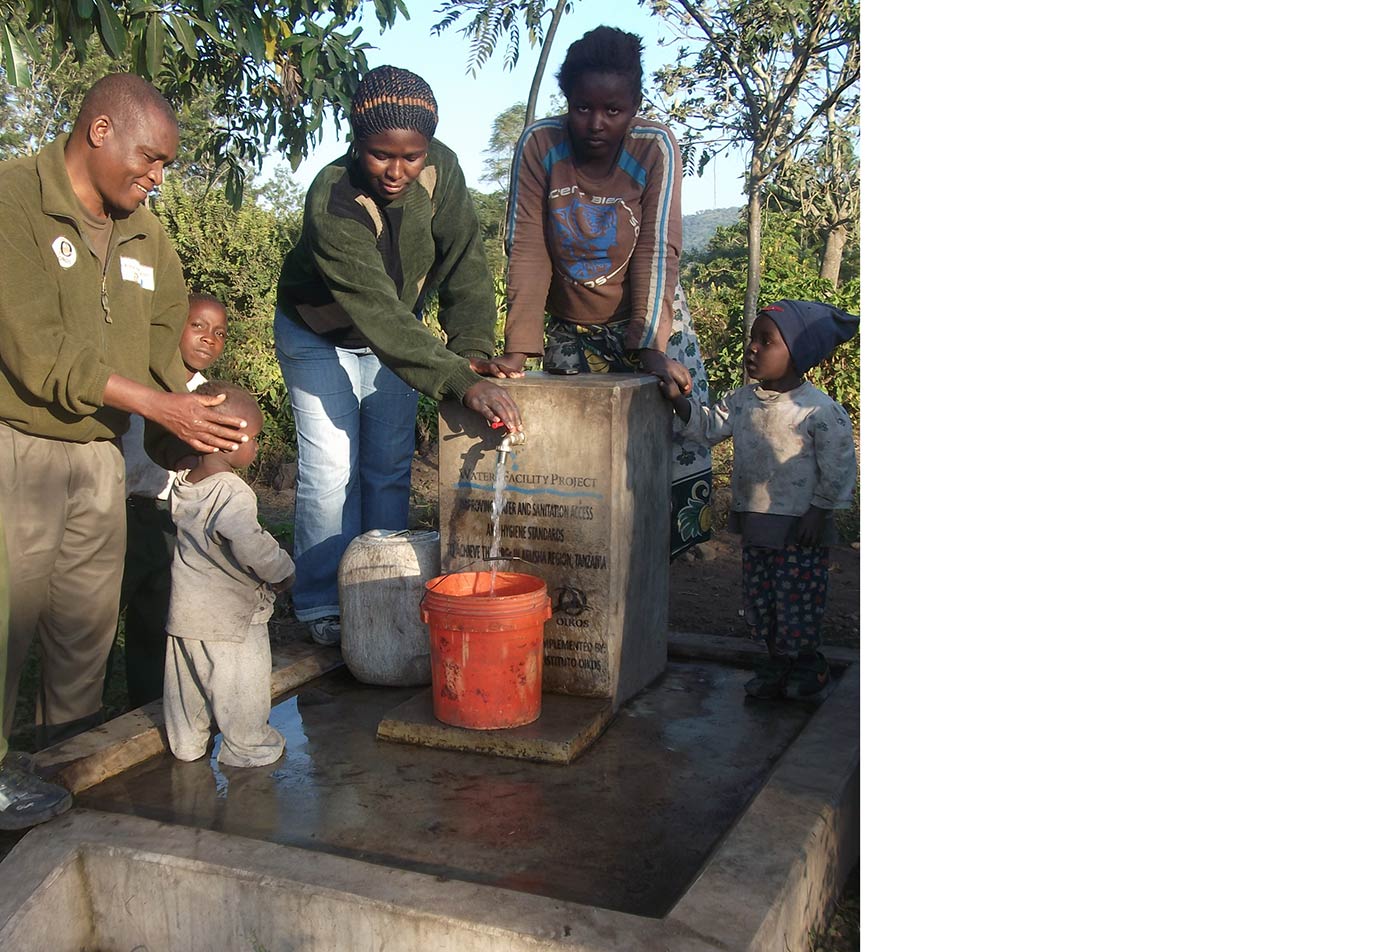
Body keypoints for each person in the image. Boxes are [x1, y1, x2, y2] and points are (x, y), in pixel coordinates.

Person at [0, 73, 248, 761]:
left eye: (166, 165)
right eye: (150, 159)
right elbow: (35, 350)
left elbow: (166, 342)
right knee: (5, 628)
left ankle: (64, 768)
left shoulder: (146, 234)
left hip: (101, 456)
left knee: (84, 634)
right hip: (17, 448)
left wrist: (208, 413)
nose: (157, 178)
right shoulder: (14, 199)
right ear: (100, 131)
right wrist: (153, 402)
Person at [276, 65, 522, 647]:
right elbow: (378, 312)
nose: (396, 170)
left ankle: (377, 592)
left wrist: (472, 353)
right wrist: (458, 379)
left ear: (428, 146)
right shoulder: (331, 197)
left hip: (398, 337)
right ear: (355, 141)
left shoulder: (444, 173)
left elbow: (466, 264)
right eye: (380, 154)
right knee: (332, 471)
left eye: (411, 156)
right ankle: (320, 604)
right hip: (318, 333)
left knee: (387, 466)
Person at [482, 25, 715, 560]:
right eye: (583, 107)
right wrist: (519, 345)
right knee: (571, 450)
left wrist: (651, 346)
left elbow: (660, 248)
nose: (596, 123)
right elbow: (527, 247)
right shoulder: (541, 144)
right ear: (567, 100)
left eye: (613, 110)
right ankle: (581, 559)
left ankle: (659, 569)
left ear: (634, 104)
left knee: (674, 429)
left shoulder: (654, 147)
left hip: (649, 312)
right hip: (569, 323)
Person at [672, 300, 858, 700]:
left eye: (766, 341)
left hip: (800, 530)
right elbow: (707, 427)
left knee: (799, 604)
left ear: (796, 354)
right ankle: (775, 664)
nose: (752, 348)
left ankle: (809, 666)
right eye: (752, 339)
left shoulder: (818, 411)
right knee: (762, 600)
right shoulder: (743, 402)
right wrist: (676, 399)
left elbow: (840, 466)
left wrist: (821, 509)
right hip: (758, 528)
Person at [164, 382, 295, 767]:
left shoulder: (186, 482)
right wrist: (284, 571)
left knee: (186, 687)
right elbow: (250, 544)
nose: (255, 447)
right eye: (252, 438)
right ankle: (250, 747)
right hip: (231, 617)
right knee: (242, 687)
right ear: (225, 442)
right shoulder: (232, 492)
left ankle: (186, 744)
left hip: (185, 612)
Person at [115, 294, 229, 709]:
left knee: (155, 616)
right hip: (120, 508)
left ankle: (145, 706)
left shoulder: (209, 394)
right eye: (197, 326)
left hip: (167, 516)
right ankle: (80, 718)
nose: (208, 340)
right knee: (99, 621)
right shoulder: (137, 377)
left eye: (219, 333)